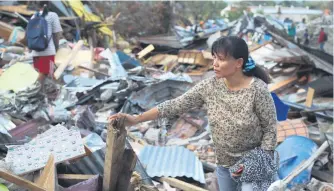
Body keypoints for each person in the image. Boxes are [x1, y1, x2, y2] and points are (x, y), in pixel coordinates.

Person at [109, 36, 277, 191]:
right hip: (224, 165)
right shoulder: (210, 87)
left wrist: (257, 162)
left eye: (221, 59)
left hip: (252, 164)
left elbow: (270, 129)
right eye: (214, 58)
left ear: (238, 63)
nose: (215, 64)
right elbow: (175, 105)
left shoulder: (257, 90)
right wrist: (136, 119)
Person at [31, 1, 62, 83]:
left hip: (35, 51)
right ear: (48, 5)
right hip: (47, 51)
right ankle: (33, 91)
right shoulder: (53, 15)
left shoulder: (34, 16)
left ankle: (40, 91)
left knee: (39, 73)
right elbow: (56, 34)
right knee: (45, 75)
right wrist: (56, 47)